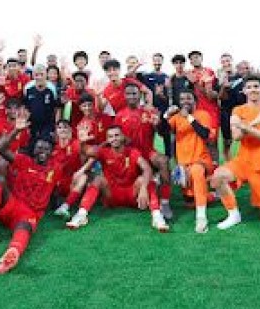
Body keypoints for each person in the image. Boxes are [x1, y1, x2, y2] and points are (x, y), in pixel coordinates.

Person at [0, 115, 61, 274]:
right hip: (10, 203)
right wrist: (16, 130)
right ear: (33, 149)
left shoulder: (55, 169)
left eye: (46, 149)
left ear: (51, 152)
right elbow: (0, 149)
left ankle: (12, 254)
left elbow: (54, 189)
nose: (42, 151)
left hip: (29, 214)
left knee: (24, 228)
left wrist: (58, 206)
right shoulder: (23, 161)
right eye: (39, 148)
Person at [64, 125, 170, 233]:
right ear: (107, 139)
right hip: (112, 195)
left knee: (145, 180)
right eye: (110, 136)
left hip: (132, 194)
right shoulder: (104, 152)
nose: (114, 138)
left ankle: (157, 216)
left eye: (117, 135)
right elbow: (87, 152)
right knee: (98, 179)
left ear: (123, 136)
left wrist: (143, 188)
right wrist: (82, 141)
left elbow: (147, 168)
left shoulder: (132, 152)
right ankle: (81, 215)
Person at [210, 77, 260, 229]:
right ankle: (233, 215)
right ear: (244, 91)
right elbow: (236, 136)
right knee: (217, 177)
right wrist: (256, 121)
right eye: (249, 87)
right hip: (244, 161)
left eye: (256, 86)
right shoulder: (238, 110)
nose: (252, 89)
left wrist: (244, 126)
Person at [114, 83, 173, 220]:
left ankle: (165, 202)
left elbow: (163, 133)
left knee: (163, 161)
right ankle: (150, 184)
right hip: (130, 156)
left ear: (140, 95)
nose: (131, 96)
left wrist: (158, 124)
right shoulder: (119, 115)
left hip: (148, 152)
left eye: (134, 93)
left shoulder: (149, 112)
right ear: (124, 96)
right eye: (128, 94)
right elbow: (115, 139)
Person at [164, 90, 216, 233]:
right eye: (182, 99)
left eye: (188, 98)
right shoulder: (176, 117)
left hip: (201, 160)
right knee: (189, 202)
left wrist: (189, 117)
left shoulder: (203, 114)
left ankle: (201, 218)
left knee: (197, 172)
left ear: (195, 100)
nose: (185, 101)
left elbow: (205, 134)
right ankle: (213, 195)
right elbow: (163, 131)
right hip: (183, 165)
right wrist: (166, 116)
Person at [140, 53, 172, 158]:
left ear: (162, 61)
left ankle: (168, 158)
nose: (157, 62)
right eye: (155, 60)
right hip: (150, 111)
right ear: (152, 61)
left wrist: (161, 94)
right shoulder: (146, 76)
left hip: (164, 111)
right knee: (149, 135)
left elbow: (169, 98)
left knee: (166, 136)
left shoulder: (166, 77)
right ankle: (149, 157)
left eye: (159, 60)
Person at [22, 64, 62, 148]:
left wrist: (56, 127)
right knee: (32, 147)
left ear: (46, 75)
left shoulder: (51, 89)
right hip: (32, 125)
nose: (39, 77)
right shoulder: (28, 89)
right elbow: (25, 107)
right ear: (33, 76)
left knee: (45, 147)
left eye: (41, 74)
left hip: (48, 125)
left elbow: (57, 109)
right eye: (36, 75)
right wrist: (25, 124)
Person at [216, 53, 239, 163]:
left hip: (240, 112)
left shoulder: (239, 76)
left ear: (232, 61)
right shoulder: (219, 79)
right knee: (227, 141)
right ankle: (228, 164)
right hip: (226, 112)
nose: (226, 63)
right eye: (223, 61)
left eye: (228, 61)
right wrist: (223, 86)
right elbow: (220, 97)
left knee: (245, 138)